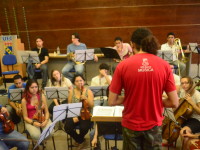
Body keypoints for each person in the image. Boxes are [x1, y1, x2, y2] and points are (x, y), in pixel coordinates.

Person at [108, 28, 179, 149]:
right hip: (154, 125)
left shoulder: (122, 66)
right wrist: (153, 100)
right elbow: (174, 102)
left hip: (131, 125)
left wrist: (134, 98)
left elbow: (112, 101)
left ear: (132, 44)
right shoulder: (165, 65)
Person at [64, 74, 94, 150]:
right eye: (77, 81)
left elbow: (92, 106)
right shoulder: (71, 92)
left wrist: (86, 98)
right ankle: (81, 140)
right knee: (67, 127)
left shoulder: (88, 91)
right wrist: (73, 116)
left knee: (84, 128)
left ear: (83, 81)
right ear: (74, 83)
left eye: (81, 80)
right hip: (74, 114)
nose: (79, 82)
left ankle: (79, 140)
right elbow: (69, 105)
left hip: (86, 114)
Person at [179, 76, 200, 150]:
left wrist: (192, 103)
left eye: (186, 83)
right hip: (185, 118)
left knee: (184, 133)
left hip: (196, 120)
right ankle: (171, 141)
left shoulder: (197, 95)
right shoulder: (182, 92)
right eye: (182, 83)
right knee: (172, 128)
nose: (184, 85)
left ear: (191, 83)